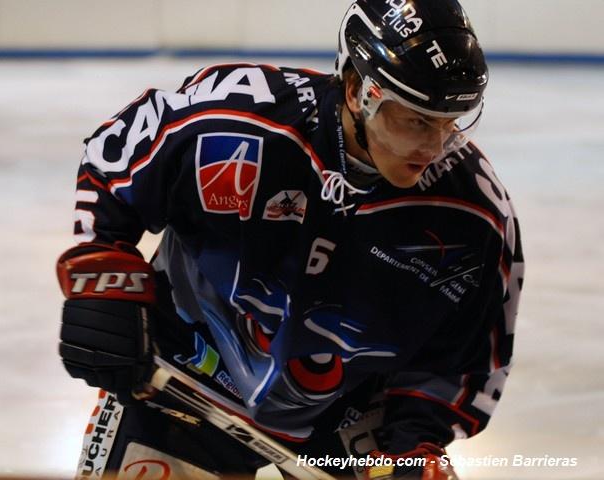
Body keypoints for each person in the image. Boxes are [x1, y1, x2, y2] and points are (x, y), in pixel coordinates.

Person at [56, 0, 524, 478]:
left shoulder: (473, 214)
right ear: (358, 91)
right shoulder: (239, 120)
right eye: (416, 121)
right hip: (188, 369)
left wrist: (415, 442)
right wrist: (101, 272)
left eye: (451, 122)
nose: (434, 146)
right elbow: (114, 161)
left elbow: (468, 355)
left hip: (348, 411)